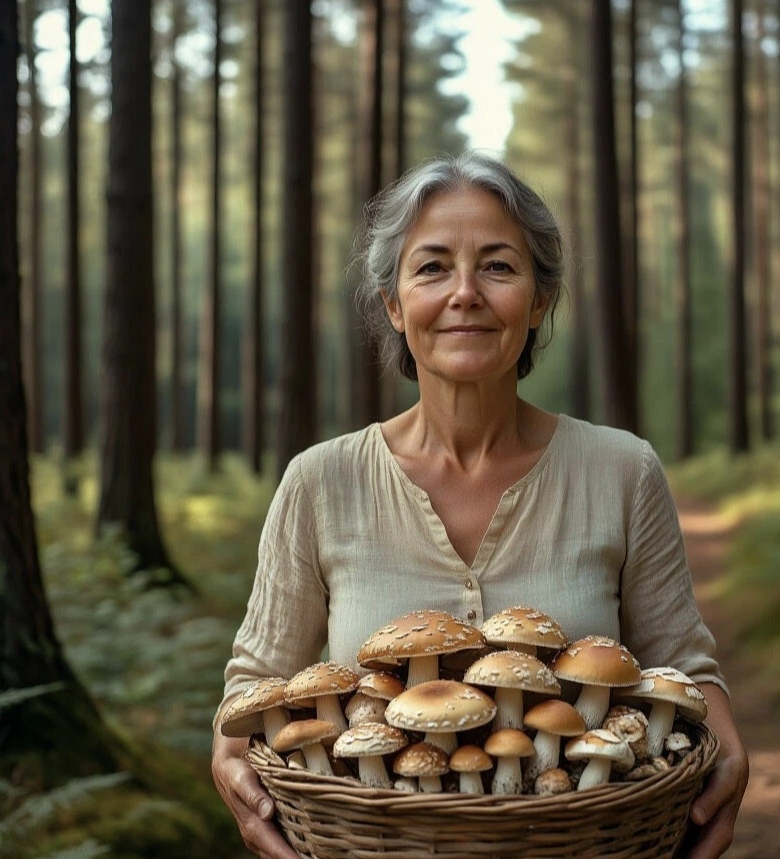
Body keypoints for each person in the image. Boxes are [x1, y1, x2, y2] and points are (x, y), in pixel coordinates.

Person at [211, 151, 749, 859]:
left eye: (498, 266)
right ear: (394, 305)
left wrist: (728, 745)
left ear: (539, 300)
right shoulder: (321, 482)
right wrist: (226, 757)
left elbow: (684, 666)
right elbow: (256, 681)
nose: (465, 292)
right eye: (432, 266)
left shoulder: (622, 470)